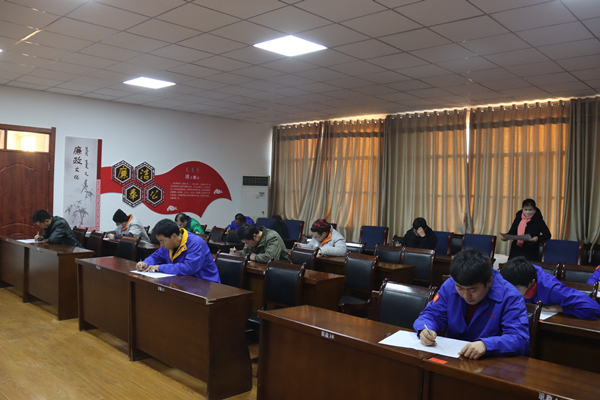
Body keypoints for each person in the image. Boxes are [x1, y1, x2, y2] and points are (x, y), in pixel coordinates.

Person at [414, 249, 530, 359]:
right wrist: (425, 329)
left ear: (489, 281)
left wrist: (486, 345)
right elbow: (431, 314)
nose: (466, 295)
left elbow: (520, 339)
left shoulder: (511, 297)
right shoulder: (450, 285)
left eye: (473, 290)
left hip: (490, 362)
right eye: (460, 288)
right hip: (453, 357)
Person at [501, 257, 600, 320]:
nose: (510, 292)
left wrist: (559, 308)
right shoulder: (507, 279)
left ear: (531, 283)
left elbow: (594, 309)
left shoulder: (552, 289)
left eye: (516, 289)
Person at [136, 219, 220, 283]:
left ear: (174, 236)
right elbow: (156, 257)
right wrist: (145, 263)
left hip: (205, 284)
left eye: (162, 241)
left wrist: (159, 267)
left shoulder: (196, 243)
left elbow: (188, 268)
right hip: (183, 282)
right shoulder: (169, 245)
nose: (161, 245)